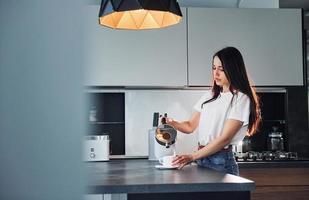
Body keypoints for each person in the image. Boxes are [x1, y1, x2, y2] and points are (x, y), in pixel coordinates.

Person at [166, 46, 261, 176]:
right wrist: (171, 122)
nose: (215, 73)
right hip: (202, 158)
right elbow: (189, 126)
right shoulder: (210, 96)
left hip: (221, 161)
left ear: (233, 69)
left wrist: (192, 157)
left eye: (221, 69)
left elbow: (225, 139)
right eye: (213, 68)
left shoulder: (241, 98)